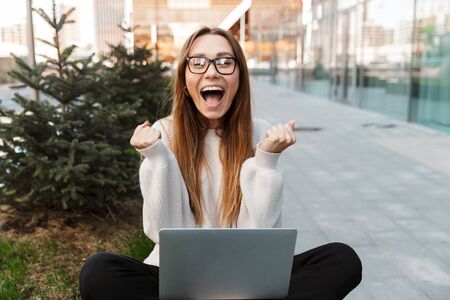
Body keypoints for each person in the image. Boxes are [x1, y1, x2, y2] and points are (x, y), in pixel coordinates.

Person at [79, 26, 362, 300]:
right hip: (178, 276)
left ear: (239, 76)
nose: (212, 71)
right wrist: (156, 157)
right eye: (198, 62)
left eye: (225, 62)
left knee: (341, 259)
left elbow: (262, 235)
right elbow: (162, 230)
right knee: (98, 272)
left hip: (247, 275)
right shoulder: (163, 133)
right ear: (185, 78)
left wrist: (266, 161)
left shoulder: (259, 132)